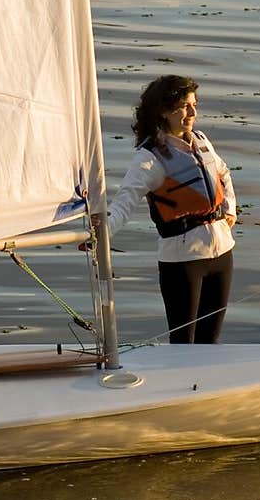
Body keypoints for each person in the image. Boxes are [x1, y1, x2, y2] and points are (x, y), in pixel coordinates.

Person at [82, 75, 237, 343]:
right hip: (183, 261)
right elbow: (124, 202)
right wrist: (100, 234)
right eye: (185, 106)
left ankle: (208, 383)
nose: (193, 112)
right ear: (165, 111)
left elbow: (223, 173)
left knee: (211, 344)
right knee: (183, 344)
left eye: (194, 104)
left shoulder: (201, 141)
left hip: (222, 253)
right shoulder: (150, 158)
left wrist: (230, 209)